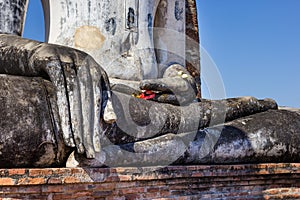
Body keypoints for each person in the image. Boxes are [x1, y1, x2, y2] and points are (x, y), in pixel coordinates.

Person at [0, 0, 295, 168]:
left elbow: (173, 61)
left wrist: (178, 81)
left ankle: (149, 148)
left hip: (151, 98)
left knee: (290, 124)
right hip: (75, 97)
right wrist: (37, 53)